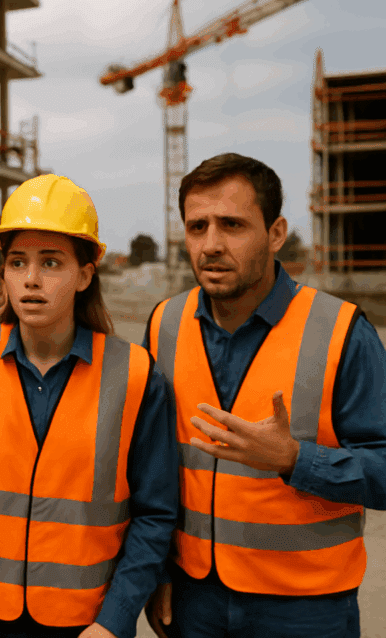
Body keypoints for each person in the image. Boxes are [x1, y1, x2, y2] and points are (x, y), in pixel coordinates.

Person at [0, 174, 179, 638]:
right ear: (3, 273)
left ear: (85, 275)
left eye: (51, 263)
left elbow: (155, 513)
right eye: (17, 262)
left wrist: (115, 620)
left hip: (87, 626)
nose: (32, 280)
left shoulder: (136, 376)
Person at [142, 152, 386, 638]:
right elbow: (150, 467)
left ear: (276, 234)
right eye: (197, 227)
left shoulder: (340, 333)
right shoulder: (164, 324)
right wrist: (156, 570)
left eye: (232, 225)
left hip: (306, 607)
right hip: (194, 599)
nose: (210, 245)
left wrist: (296, 459)